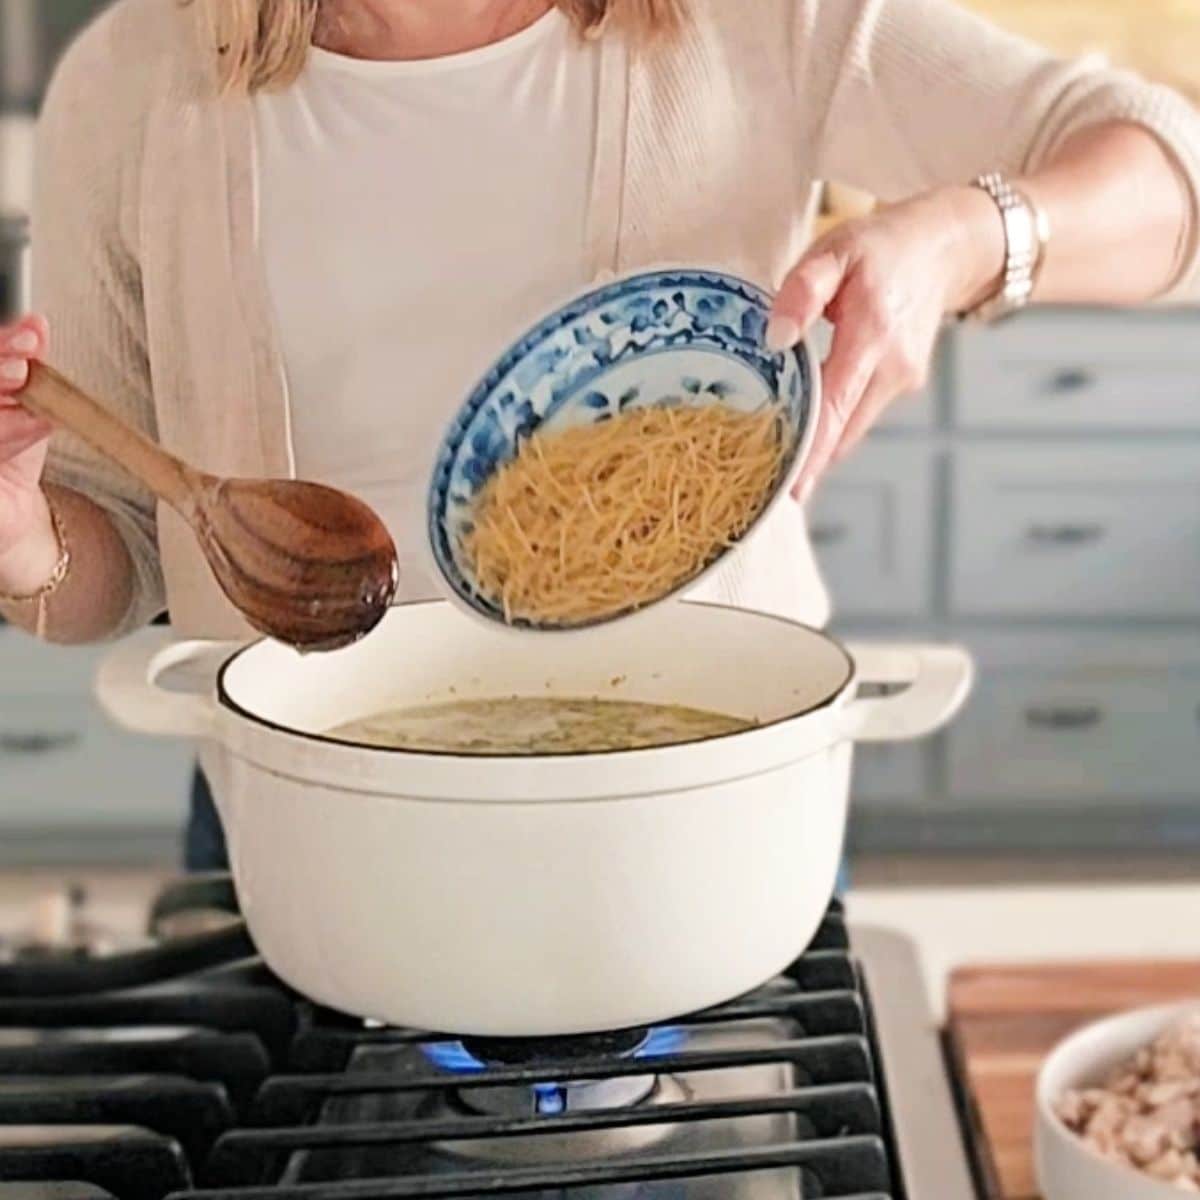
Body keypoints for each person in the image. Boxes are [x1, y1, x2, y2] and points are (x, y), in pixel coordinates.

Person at [0, 0, 1197, 871]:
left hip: (706, 806)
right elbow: (113, 554)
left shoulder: (758, 21)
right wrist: (19, 536)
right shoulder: (134, 81)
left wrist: (956, 239)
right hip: (311, 834)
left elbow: (1166, 166)